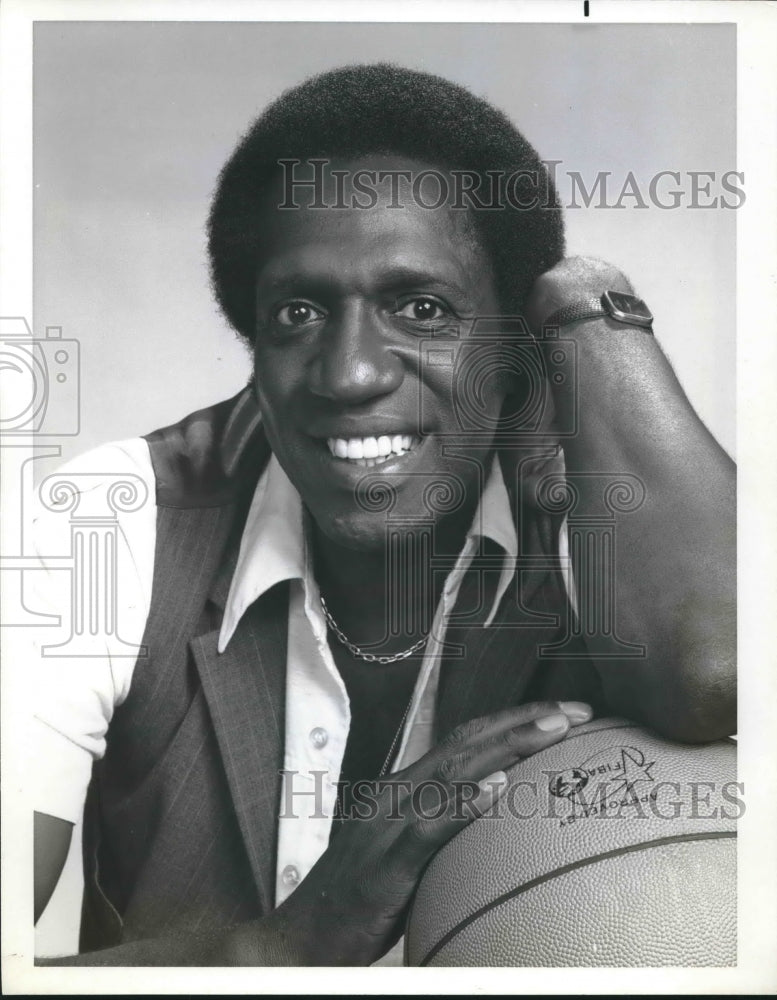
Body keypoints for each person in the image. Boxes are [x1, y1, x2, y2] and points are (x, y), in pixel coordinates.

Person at [32, 63, 735, 966]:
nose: (349, 374)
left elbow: (719, 671)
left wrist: (586, 302)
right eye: (298, 312)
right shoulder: (106, 526)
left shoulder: (579, 517)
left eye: (422, 308)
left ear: (510, 337)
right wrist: (282, 949)